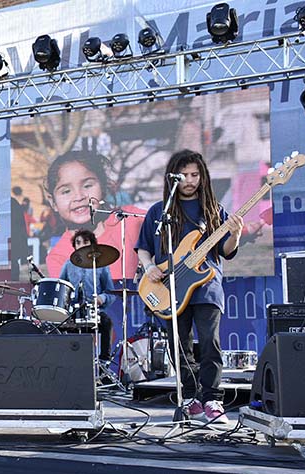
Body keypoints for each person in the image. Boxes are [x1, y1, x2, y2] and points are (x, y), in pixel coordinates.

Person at [135, 149, 243, 424]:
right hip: (171, 287)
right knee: (179, 346)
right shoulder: (159, 212)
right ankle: (193, 399)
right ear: (173, 177)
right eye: (184, 175)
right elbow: (144, 248)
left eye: (195, 174)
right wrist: (150, 268)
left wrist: (236, 233)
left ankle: (212, 399)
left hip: (207, 286)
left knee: (209, 342)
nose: (190, 180)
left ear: (203, 176)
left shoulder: (213, 210)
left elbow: (226, 251)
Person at [44, 151, 145, 281]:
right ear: (53, 202)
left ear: (103, 188)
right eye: (66, 191)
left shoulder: (129, 219)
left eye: (87, 186)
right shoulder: (58, 257)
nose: (79, 196)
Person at [59, 229, 116, 361]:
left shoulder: (101, 265)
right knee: (59, 326)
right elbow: (61, 288)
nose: (82, 245)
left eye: (86, 242)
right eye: (78, 243)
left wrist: (102, 298)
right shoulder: (68, 265)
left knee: (106, 322)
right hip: (74, 312)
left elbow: (110, 292)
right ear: (75, 247)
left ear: (92, 244)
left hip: (94, 311)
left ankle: (104, 362)